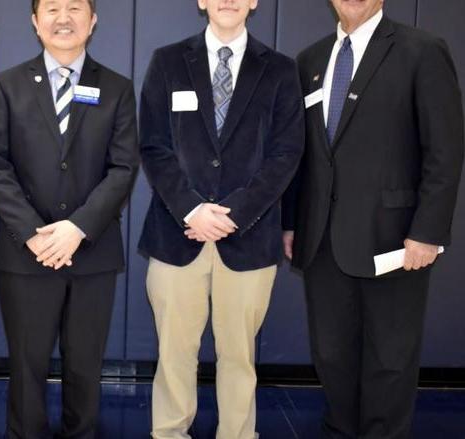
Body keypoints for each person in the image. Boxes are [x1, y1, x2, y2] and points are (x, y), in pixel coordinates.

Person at [283, 0, 464, 437]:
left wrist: (427, 232)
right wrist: (291, 222)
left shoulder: (421, 50)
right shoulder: (310, 59)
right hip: (321, 239)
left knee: (389, 358)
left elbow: (445, 150)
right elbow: (300, 154)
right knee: (332, 354)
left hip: (395, 241)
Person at [137, 0, 304, 437]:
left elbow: (286, 154)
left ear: (253, 2)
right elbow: (153, 146)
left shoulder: (282, 70)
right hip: (177, 232)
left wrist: (233, 215)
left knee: (239, 355)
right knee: (173, 353)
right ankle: (169, 433)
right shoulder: (168, 61)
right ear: (201, 1)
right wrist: (192, 208)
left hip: (249, 238)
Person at [0, 0, 140, 436]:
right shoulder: (7, 85)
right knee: (26, 369)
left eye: (75, 8)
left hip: (93, 252)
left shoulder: (117, 88)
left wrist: (77, 228)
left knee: (85, 367)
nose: (63, 18)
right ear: (35, 22)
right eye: (52, 8)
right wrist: (34, 233)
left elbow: (124, 168)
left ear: (93, 22)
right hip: (25, 254)